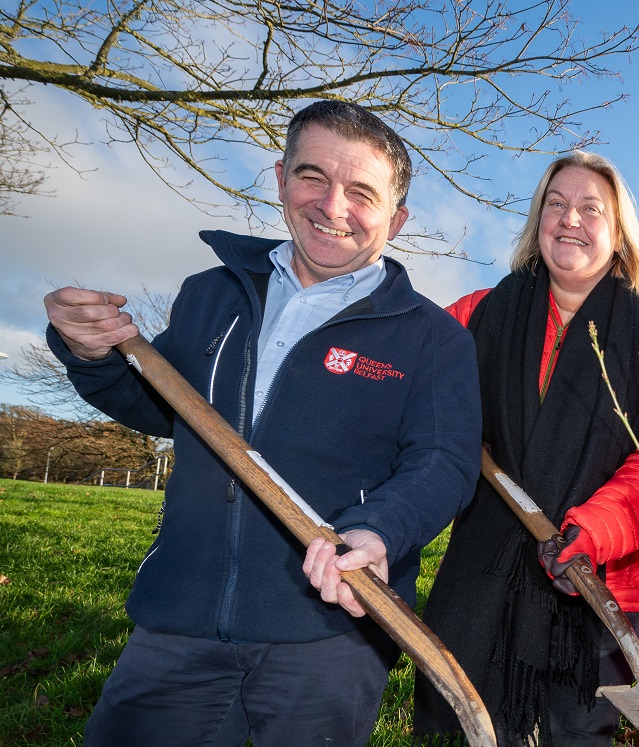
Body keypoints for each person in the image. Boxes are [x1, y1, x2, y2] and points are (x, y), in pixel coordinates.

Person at [41, 100, 481, 746]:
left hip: (329, 635)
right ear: (280, 179)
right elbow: (159, 406)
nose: (333, 206)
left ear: (397, 216)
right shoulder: (211, 295)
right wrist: (92, 355)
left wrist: (379, 530)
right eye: (313, 177)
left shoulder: (432, 337)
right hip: (178, 618)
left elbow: (443, 461)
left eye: (361, 192)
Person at [412, 151, 639, 745]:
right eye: (555, 205)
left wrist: (596, 532)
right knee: (461, 722)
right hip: (483, 574)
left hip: (604, 580)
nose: (570, 220)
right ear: (537, 222)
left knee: (578, 734)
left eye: (591, 208)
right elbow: (411, 392)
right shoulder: (477, 315)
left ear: (619, 233)